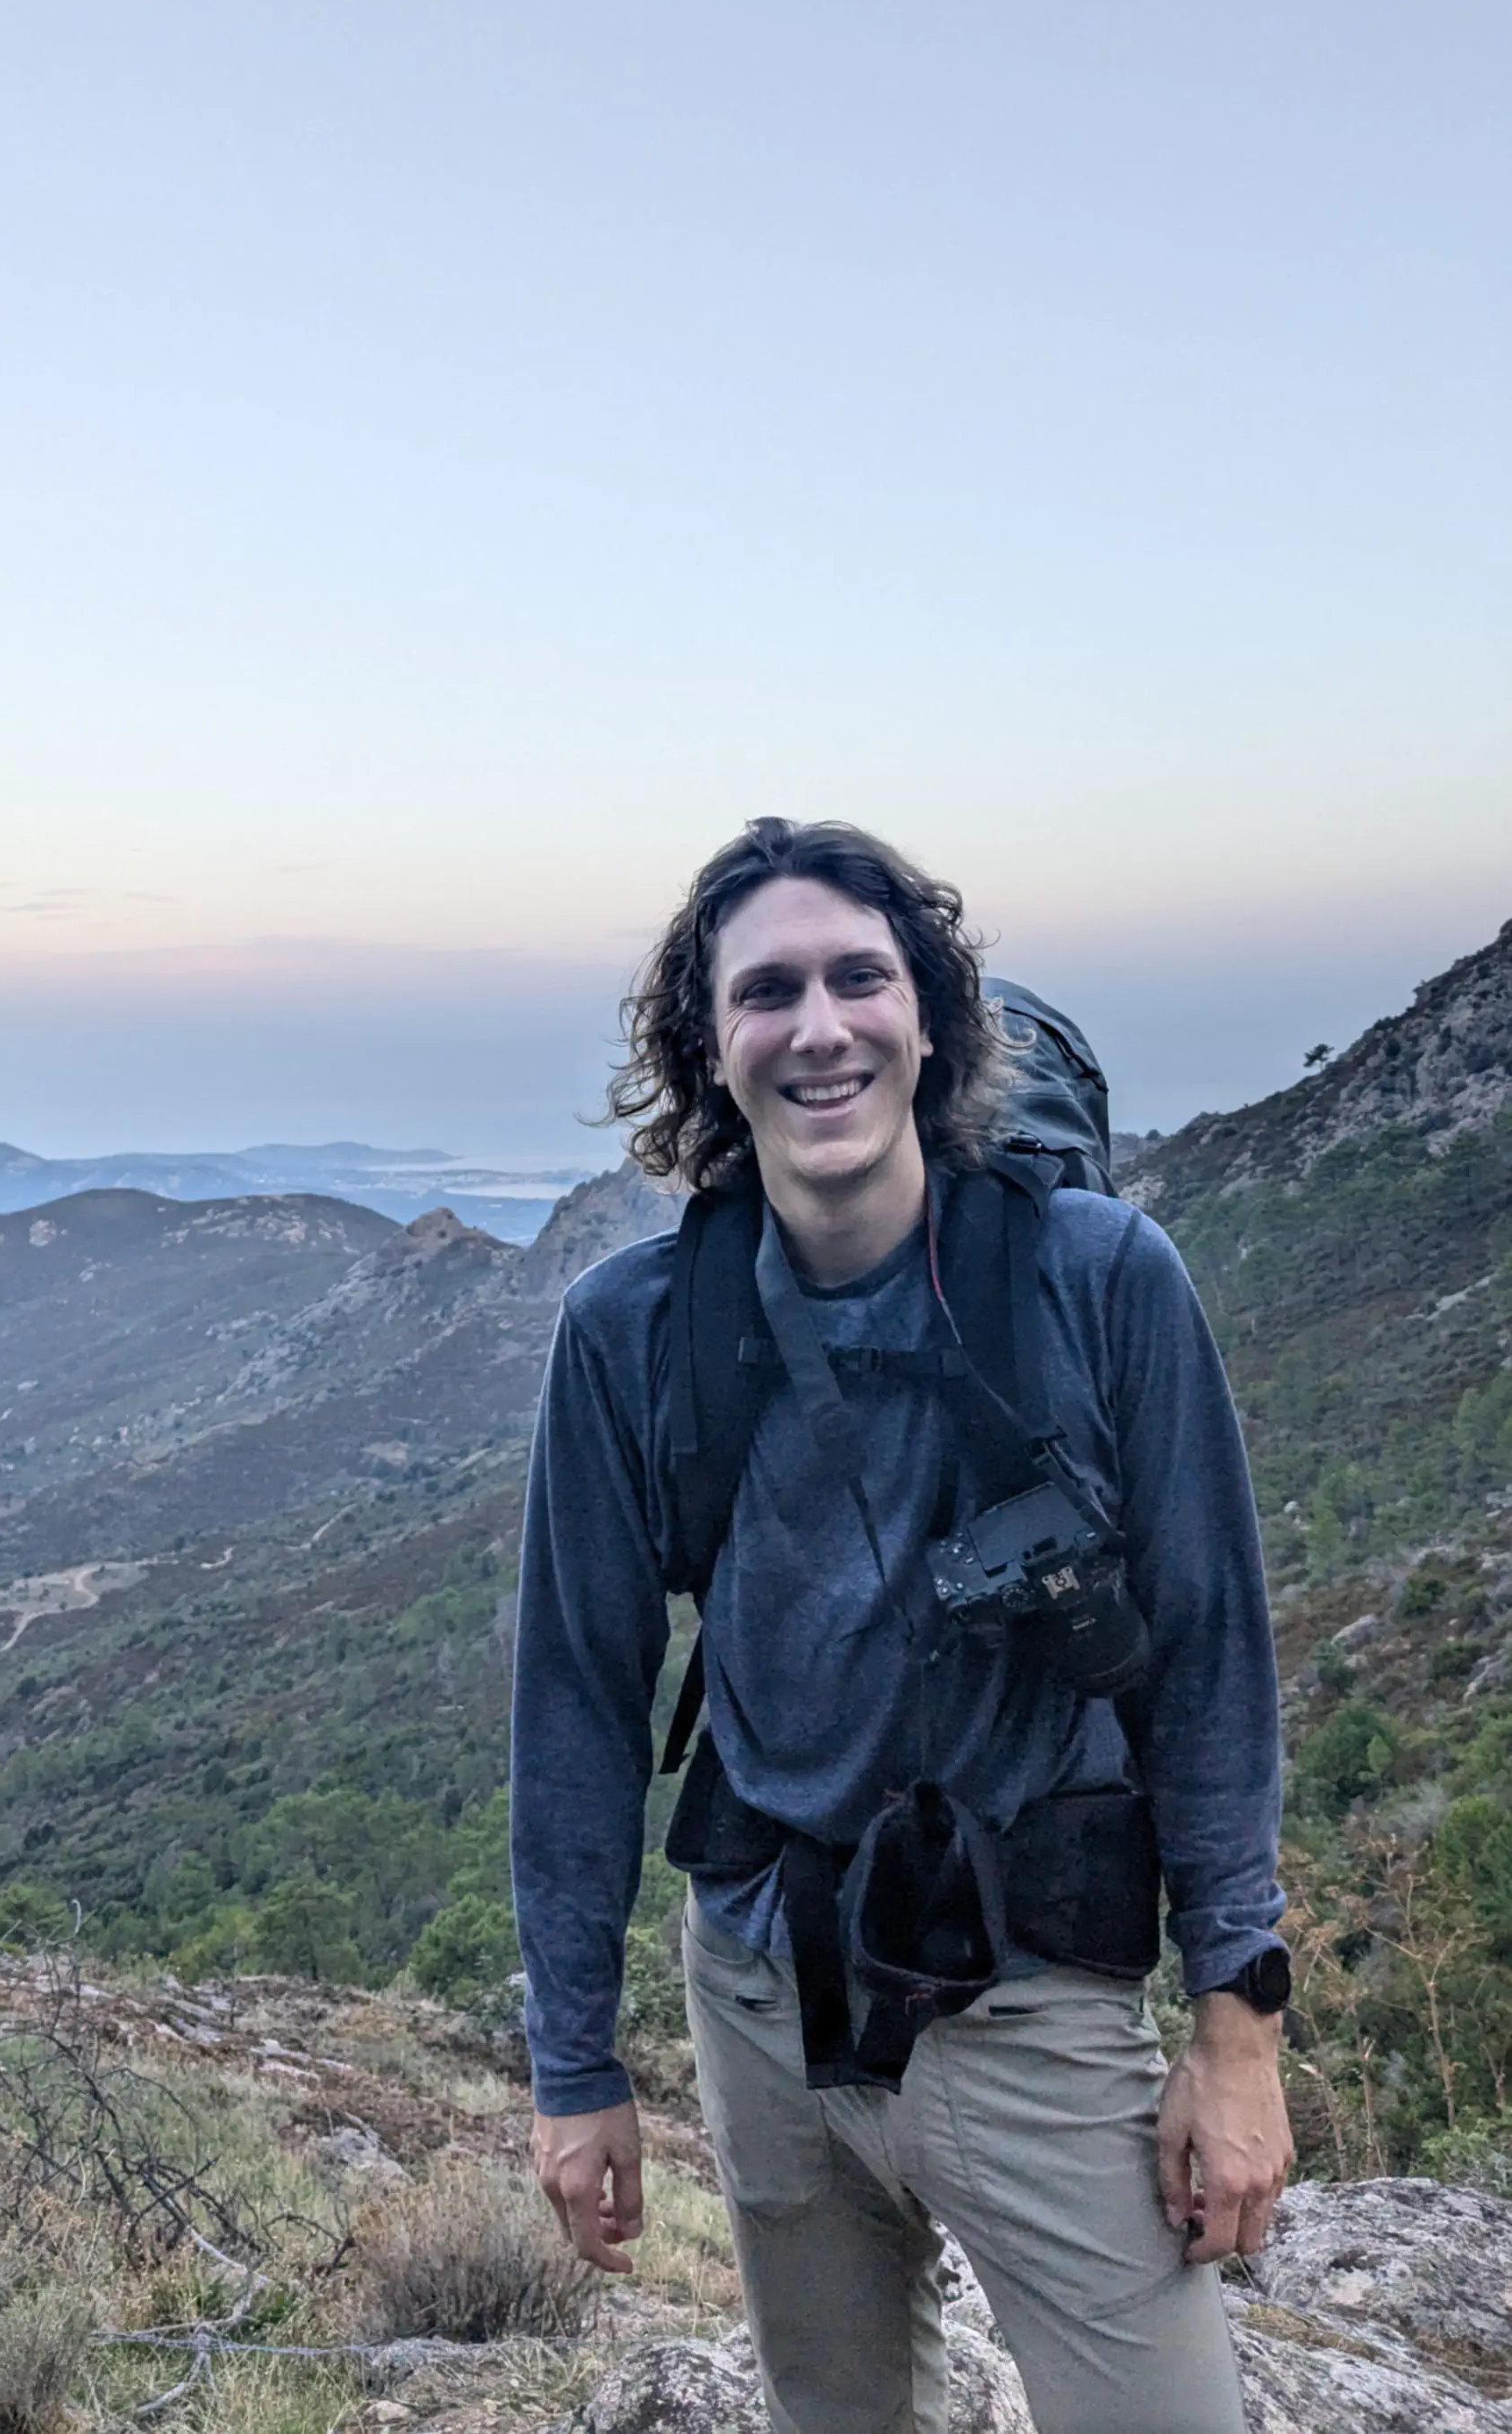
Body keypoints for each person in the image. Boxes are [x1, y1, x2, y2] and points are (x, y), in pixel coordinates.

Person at [511, 817, 1293, 2434]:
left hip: (1032, 2007)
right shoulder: (633, 1332)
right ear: (709, 1047)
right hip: (761, 1996)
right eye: (766, 991)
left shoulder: (1102, 1279)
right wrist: (575, 2066)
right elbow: (579, 1698)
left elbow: (1211, 1653)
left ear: (930, 1017)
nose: (820, 1026)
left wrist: (1237, 2035)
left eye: (860, 978)